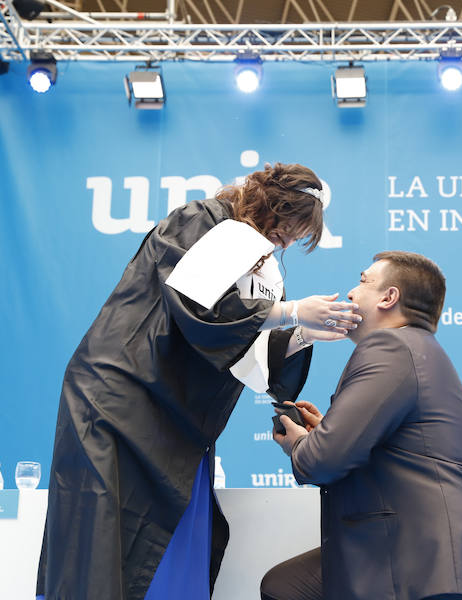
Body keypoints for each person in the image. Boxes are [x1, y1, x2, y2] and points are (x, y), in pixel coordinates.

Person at [35, 163, 361, 600]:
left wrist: (300, 333)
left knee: (164, 544)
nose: (292, 239)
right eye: (292, 225)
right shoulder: (205, 222)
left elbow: (245, 350)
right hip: (121, 403)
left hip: (176, 424)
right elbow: (198, 307)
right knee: (100, 545)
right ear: (271, 205)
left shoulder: (260, 266)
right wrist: (292, 313)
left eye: (301, 233)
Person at [263, 251, 462, 600]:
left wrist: (298, 444)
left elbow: (321, 460)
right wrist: (327, 431)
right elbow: (384, 445)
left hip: (435, 569)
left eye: (363, 281)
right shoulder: (416, 349)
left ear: (389, 297)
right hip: (429, 560)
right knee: (285, 587)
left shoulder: (391, 347)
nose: (352, 293)